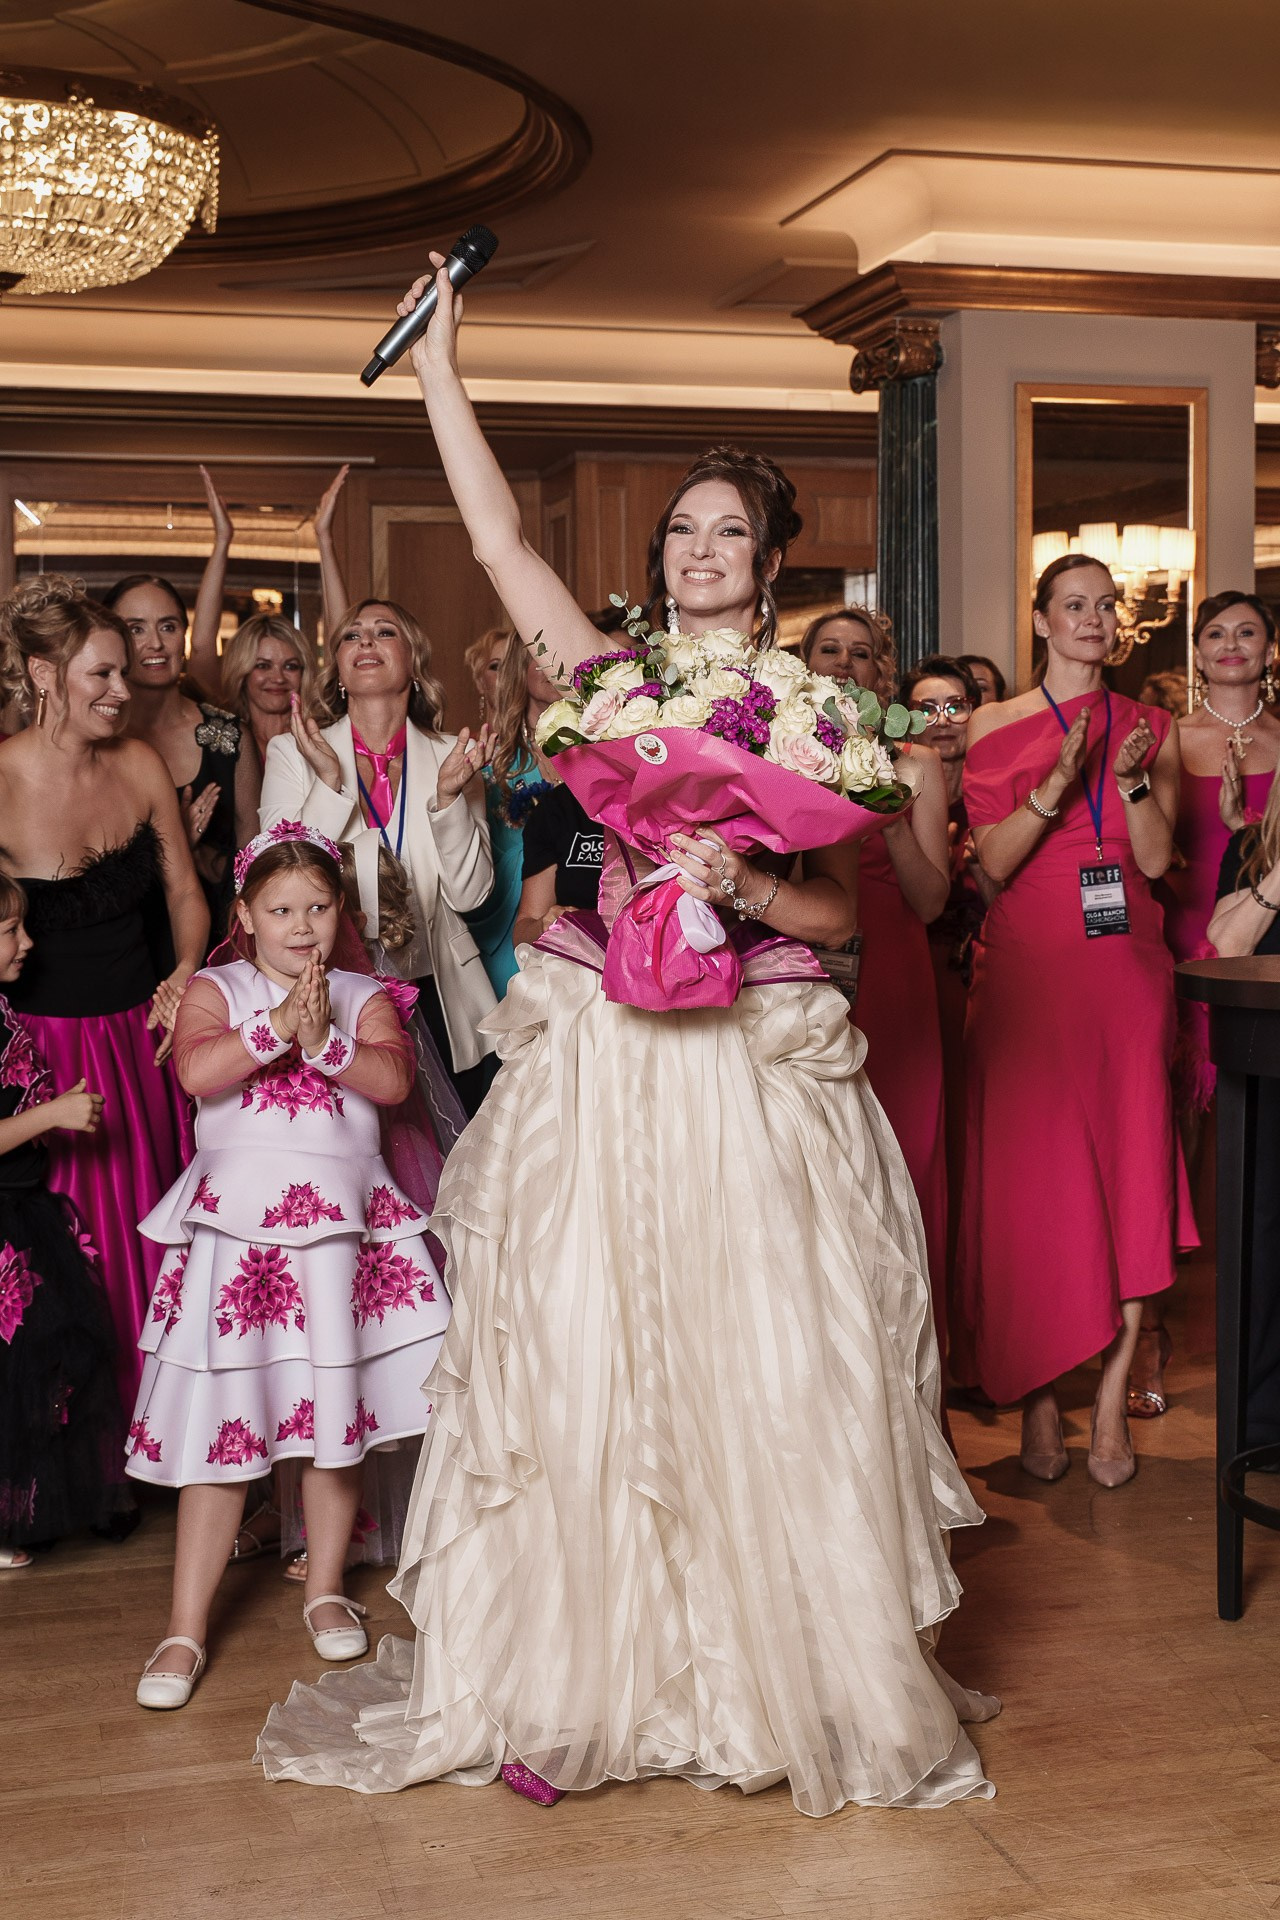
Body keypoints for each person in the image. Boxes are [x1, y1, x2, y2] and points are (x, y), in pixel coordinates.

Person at [256, 254, 998, 1817]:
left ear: (774, 560)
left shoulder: (818, 715)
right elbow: (497, 538)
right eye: (683, 529)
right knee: (590, 1346)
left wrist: (740, 882)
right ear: (659, 558)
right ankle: (587, 1672)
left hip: (751, 1062)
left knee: (767, 1356)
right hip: (607, 1050)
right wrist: (444, 365)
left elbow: (847, 929)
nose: (703, 549)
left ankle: (770, 1675)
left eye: (732, 531)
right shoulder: (607, 679)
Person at [130, 826, 451, 1709]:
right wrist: (276, 1026)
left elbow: (390, 1084)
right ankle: (185, 1627)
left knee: (330, 1414)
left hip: (339, 1238)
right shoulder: (214, 988)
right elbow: (199, 1071)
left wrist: (327, 1040)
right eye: (280, 910)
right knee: (228, 1426)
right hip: (241, 1241)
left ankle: (325, 1588)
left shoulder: (362, 993)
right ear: (244, 916)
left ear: (340, 911)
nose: (301, 926)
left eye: (318, 907)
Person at [953, 553, 1193, 1488]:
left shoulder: (1154, 727)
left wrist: (1130, 784)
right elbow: (986, 870)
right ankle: (1040, 1401)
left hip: (1126, 967)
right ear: (1042, 620)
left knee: (1132, 1168)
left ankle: (1108, 1404)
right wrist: (1056, 780)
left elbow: (1162, 857)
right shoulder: (993, 724)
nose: (1093, 619)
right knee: (1032, 1184)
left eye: (1106, 607)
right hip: (1027, 971)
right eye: (1074, 605)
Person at [0, 577, 205, 1409]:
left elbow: (186, 893)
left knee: (152, 1238)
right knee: (63, 1258)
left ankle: (158, 1432)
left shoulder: (142, 764)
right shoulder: (3, 779)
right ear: (46, 675)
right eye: (102, 676)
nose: (124, 692)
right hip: (40, 1055)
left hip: (139, 1042)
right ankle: (80, 1444)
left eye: (124, 672)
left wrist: (186, 971)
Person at [1130, 595, 1280, 1419]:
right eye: (1215, 634)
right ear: (1196, 651)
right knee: (1171, 1146)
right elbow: (1148, 848)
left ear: (1269, 648)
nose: (1230, 645)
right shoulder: (1167, 737)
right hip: (1180, 948)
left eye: (1245, 632)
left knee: (1251, 1155)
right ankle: (1152, 1329)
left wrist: (1248, 825)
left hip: (1261, 954)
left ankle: (1253, 1344)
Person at [259, 597, 498, 1114]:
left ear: (413, 661)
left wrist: (450, 797)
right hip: (326, 989)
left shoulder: (451, 756)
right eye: (352, 635)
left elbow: (471, 893)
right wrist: (327, 783)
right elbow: (275, 883)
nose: (365, 641)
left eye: (384, 631)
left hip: (436, 992)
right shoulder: (292, 752)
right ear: (340, 669)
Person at [801, 609, 951, 1341]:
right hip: (808, 975)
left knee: (904, 1175)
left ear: (879, 675)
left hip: (895, 979)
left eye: (858, 654)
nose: (841, 663)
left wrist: (890, 814)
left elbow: (931, 900)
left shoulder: (919, 764)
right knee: (825, 1180)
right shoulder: (780, 753)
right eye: (827, 650)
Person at [0, 877, 128, 1569]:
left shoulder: (2, 1005)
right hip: (3, 1216)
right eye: (10, 932)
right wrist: (47, 1117)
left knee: (36, 1367)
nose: (28, 942)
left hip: (25, 1208)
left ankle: (26, 1506)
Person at [900, 655, 994, 1295]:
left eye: (955, 705)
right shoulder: (906, 778)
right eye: (926, 707)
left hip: (993, 977)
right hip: (919, 968)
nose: (942, 720)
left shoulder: (999, 781)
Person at [106, 571, 257, 949]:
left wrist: (207, 860)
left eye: (168, 626)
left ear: (184, 637)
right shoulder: (97, 739)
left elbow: (257, 862)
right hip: (123, 948)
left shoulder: (230, 736)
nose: (155, 643)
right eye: (135, 629)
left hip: (222, 945)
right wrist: (169, 845)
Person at [1206, 775, 1280, 1454]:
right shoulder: (1253, 849)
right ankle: (1262, 1430)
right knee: (1262, 1231)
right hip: (1269, 1077)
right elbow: (1225, 943)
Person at [461, 628, 556, 997]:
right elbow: (471, 862)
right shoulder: (491, 759)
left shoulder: (596, 752)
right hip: (506, 921)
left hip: (579, 917)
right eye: (538, 655)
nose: (551, 665)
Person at [218, 611, 321, 790]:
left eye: (290, 666)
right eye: (263, 666)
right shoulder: (225, 742)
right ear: (241, 672)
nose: (278, 678)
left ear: (304, 674)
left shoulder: (320, 738)